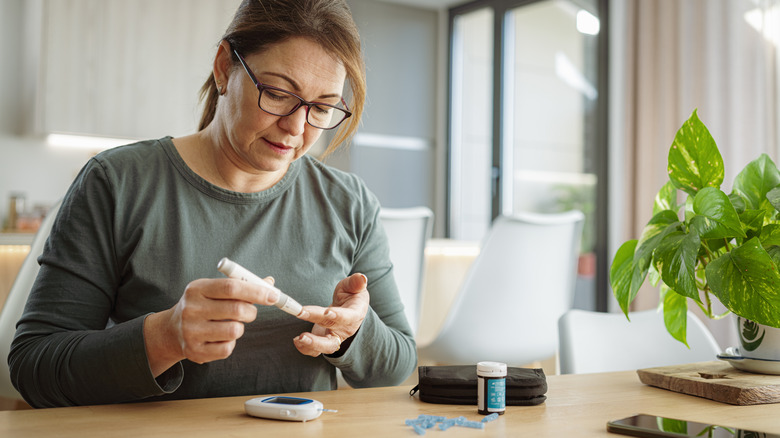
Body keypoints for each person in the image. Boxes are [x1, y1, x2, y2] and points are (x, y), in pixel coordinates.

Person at [9, 0, 417, 408]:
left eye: (323, 107)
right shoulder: (116, 182)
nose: (296, 127)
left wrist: (354, 334)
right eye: (276, 93)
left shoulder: (349, 202)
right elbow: (34, 367)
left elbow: (398, 366)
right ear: (224, 67)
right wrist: (163, 339)